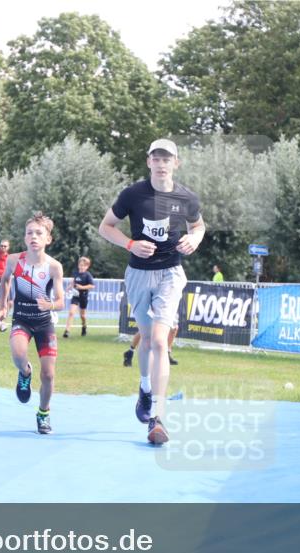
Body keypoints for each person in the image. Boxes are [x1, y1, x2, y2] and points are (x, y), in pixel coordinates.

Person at [98, 138, 205, 444]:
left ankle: (157, 419)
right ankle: (145, 389)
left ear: (176, 163)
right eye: (156, 159)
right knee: (145, 340)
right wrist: (130, 244)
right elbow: (106, 227)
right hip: (138, 274)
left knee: (159, 340)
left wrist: (194, 239)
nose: (161, 164)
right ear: (148, 162)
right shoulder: (133, 194)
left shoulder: (186, 197)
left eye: (166, 159)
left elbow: (198, 226)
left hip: (171, 273)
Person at [0, 212, 65, 435]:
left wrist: (51, 306)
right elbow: (5, 280)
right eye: (29, 233)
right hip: (22, 319)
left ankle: (43, 414)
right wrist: (3, 306)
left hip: (44, 323)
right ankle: (25, 373)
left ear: (48, 239)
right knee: (17, 354)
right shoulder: (15, 260)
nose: (33, 237)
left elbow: (61, 301)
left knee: (49, 375)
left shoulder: (55, 267)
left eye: (38, 233)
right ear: (25, 238)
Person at [63, 256, 95, 337]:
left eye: (84, 265)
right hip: (75, 296)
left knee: (82, 316)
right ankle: (67, 331)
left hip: (83, 296)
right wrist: (69, 287)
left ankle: (84, 326)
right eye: (81, 265)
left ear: (87, 266)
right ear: (78, 265)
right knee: (71, 312)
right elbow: (73, 282)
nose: (82, 267)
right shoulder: (76, 273)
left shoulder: (88, 275)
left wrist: (82, 287)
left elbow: (92, 286)